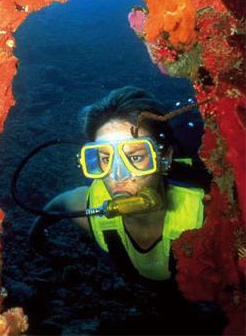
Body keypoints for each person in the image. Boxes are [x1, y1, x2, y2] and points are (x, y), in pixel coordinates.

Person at [29, 86, 207, 283]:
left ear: (164, 159)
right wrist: (35, 238)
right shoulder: (91, 209)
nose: (117, 175)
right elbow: (58, 204)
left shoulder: (206, 215)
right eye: (105, 159)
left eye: (136, 157)